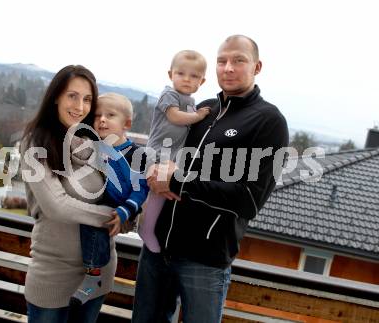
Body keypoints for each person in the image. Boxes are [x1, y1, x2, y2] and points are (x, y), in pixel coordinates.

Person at [132, 35, 289, 323]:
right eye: (222, 61)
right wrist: (155, 171)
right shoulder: (203, 109)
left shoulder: (269, 122)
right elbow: (169, 151)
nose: (228, 68)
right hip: (157, 251)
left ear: (257, 67)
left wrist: (178, 181)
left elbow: (250, 200)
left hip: (204, 261)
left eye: (238, 60)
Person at [20, 65, 119, 323]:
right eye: (72, 96)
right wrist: (113, 216)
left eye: (87, 99)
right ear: (56, 96)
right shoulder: (35, 144)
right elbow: (56, 206)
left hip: (97, 274)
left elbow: (119, 193)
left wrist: (128, 212)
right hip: (53, 274)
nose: (80, 106)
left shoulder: (96, 145)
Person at [69, 92, 149, 305]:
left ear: (127, 124)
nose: (102, 119)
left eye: (110, 115)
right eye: (97, 115)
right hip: (97, 198)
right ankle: (87, 271)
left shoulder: (135, 153)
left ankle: (92, 277)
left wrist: (127, 210)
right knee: (87, 217)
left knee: (94, 224)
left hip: (118, 204)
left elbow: (141, 188)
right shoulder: (94, 146)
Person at [139, 50, 210, 253]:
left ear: (202, 81)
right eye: (181, 74)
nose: (187, 79)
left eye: (194, 76)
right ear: (171, 75)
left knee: (166, 190)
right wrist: (198, 116)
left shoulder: (190, 101)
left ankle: (150, 225)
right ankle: (146, 228)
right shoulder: (168, 94)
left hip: (173, 154)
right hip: (159, 151)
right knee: (158, 191)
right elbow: (175, 117)